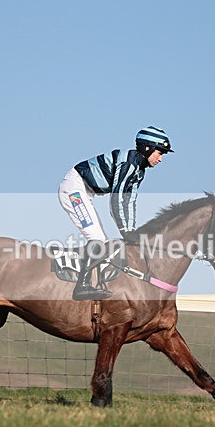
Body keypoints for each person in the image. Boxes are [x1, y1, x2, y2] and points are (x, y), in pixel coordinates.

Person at [58, 126, 174, 300]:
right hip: (74, 189)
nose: (161, 159)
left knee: (101, 241)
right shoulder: (129, 162)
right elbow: (117, 198)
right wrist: (125, 231)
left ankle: (89, 280)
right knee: (97, 240)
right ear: (147, 148)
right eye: (160, 152)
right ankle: (81, 286)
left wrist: (131, 229)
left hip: (86, 192)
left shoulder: (139, 170)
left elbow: (130, 201)